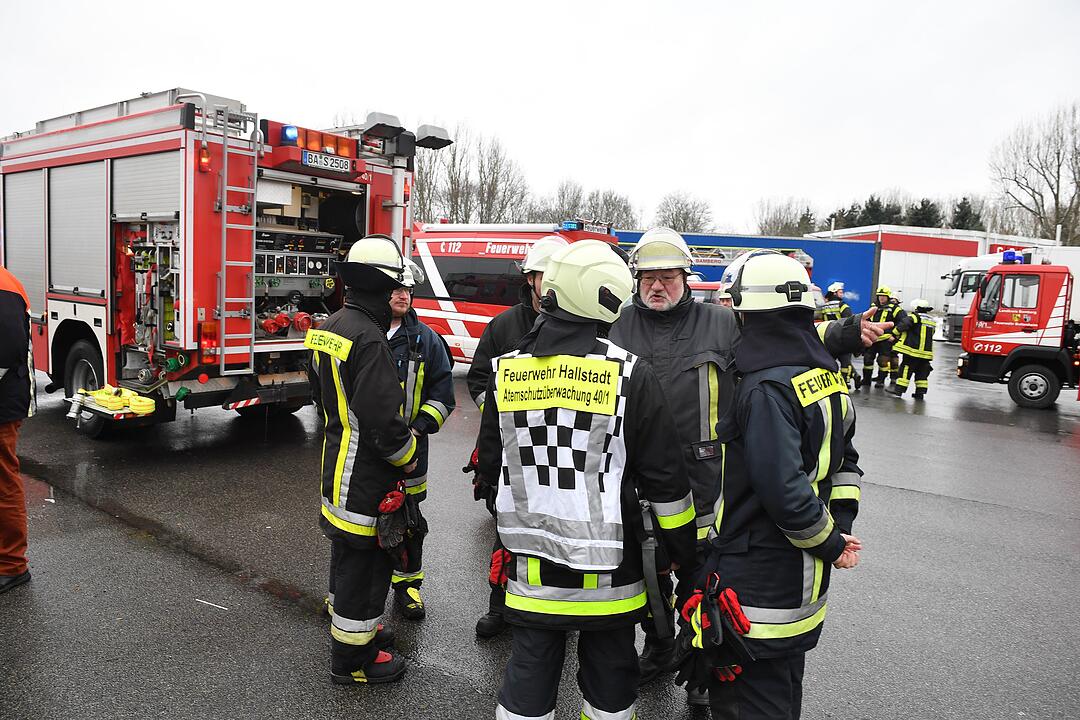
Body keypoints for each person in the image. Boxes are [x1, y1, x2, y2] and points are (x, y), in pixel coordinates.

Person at [607, 230, 877, 706]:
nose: (657, 285)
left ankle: (705, 666)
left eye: (667, 276)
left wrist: (840, 336)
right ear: (635, 281)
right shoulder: (618, 325)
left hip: (707, 479)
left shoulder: (722, 322)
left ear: (686, 278)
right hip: (640, 477)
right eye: (648, 276)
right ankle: (661, 645)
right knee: (648, 569)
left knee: (699, 571)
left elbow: (783, 334)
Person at [476, 239, 697, 720]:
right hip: (610, 576)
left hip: (532, 567)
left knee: (528, 678)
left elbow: (490, 467)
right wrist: (684, 555)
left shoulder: (507, 371)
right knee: (610, 685)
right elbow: (666, 483)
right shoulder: (629, 375)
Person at [698, 249, 863, 720]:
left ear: (754, 315)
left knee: (754, 701)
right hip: (802, 583)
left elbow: (783, 490)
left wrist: (832, 541)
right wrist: (838, 527)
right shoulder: (825, 377)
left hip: (761, 579)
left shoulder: (766, 387)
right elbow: (845, 465)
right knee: (785, 689)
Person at [306, 234, 418, 685]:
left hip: (336, 466)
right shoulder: (370, 340)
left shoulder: (330, 326)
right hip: (366, 476)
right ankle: (353, 660)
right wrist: (407, 457)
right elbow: (383, 422)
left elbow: (321, 395)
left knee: (345, 556)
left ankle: (357, 628)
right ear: (378, 284)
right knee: (365, 567)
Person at [466, 235, 569, 638]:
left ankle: (561, 605)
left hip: (565, 452)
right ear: (530, 279)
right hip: (513, 454)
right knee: (508, 533)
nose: (552, 281)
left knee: (562, 532)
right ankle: (501, 606)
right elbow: (477, 379)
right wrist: (498, 417)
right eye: (545, 274)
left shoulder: (588, 325)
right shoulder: (504, 325)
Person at [385, 259, 455, 619]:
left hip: (411, 449)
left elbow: (444, 394)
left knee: (410, 522)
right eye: (396, 288)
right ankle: (346, 592)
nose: (403, 295)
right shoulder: (364, 334)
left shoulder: (426, 340)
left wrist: (417, 429)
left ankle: (408, 586)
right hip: (365, 452)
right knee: (358, 523)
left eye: (408, 290)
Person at [0, 266, 35, 594]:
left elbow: (8, 351)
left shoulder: (3, 286)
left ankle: (12, 565)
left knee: (4, 484)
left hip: (2, 403)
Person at [887, 298, 936, 400]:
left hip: (912, 351)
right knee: (922, 372)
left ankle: (899, 390)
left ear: (917, 308)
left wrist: (894, 334)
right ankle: (920, 393)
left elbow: (903, 325)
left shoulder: (914, 317)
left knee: (905, 369)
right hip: (926, 354)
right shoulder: (931, 320)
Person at [861, 286, 905, 389]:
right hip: (873, 338)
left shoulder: (894, 308)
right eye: (880, 296)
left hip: (886, 339)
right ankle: (866, 380)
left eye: (884, 296)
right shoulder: (874, 307)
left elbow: (903, 322)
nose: (881, 298)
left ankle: (880, 381)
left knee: (883, 361)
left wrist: (894, 335)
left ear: (888, 297)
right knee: (867, 359)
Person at [820, 282, 858, 389]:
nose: (842, 294)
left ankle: (831, 381)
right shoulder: (843, 306)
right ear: (834, 293)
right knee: (845, 362)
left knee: (830, 361)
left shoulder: (824, 306)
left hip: (829, 337)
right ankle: (845, 382)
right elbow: (849, 321)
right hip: (843, 337)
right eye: (840, 292)